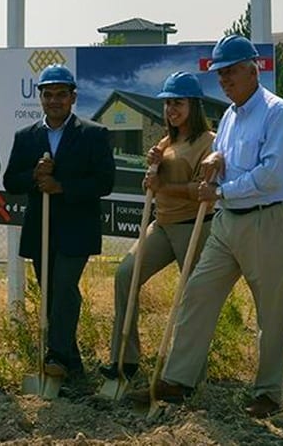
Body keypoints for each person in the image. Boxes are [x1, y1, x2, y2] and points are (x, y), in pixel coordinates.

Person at [128, 35, 283, 419]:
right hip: (228, 221)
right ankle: (176, 380)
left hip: (269, 217)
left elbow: (271, 175)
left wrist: (220, 190)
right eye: (220, 74)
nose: (224, 80)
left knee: (271, 312)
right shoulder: (229, 115)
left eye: (230, 72)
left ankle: (268, 394)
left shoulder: (278, 113)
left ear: (252, 68)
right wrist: (219, 157)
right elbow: (224, 151)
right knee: (197, 294)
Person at [3, 64, 115, 384]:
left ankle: (54, 354)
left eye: (61, 95)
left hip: (77, 230)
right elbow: (12, 180)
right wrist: (35, 177)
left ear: (73, 97)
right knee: (55, 294)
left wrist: (61, 186)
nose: (54, 101)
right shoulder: (27, 137)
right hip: (41, 230)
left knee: (63, 287)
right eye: (48, 94)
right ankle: (72, 364)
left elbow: (104, 182)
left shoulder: (93, 134)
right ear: (40, 97)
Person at [99, 72, 216, 381]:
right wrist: (152, 170)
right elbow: (151, 187)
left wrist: (164, 183)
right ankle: (125, 358)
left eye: (178, 103)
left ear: (194, 105)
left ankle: (188, 373)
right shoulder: (166, 142)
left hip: (194, 227)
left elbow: (202, 190)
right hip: (161, 224)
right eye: (167, 104)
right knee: (125, 274)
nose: (171, 110)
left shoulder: (209, 142)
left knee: (193, 299)